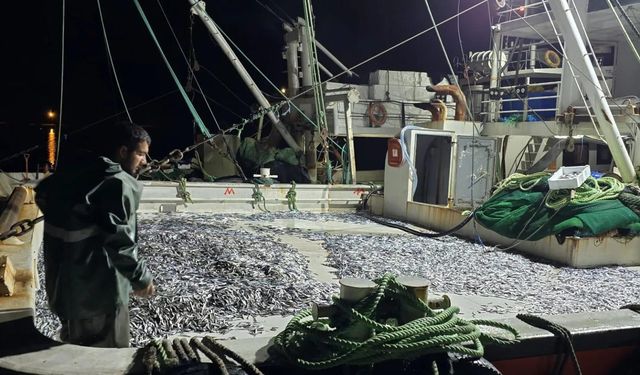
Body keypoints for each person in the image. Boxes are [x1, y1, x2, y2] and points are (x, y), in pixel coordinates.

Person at [35, 121, 155, 348]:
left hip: (66, 293)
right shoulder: (116, 184)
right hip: (100, 296)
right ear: (122, 151)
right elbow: (120, 240)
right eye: (140, 154)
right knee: (107, 358)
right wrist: (141, 277)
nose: (145, 162)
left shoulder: (73, 176)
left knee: (76, 352)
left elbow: (42, 195)